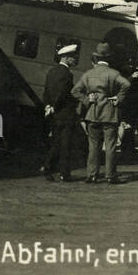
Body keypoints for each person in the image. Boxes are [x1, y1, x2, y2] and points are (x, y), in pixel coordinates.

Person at [72, 42, 131, 185]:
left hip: (93, 114)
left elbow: (75, 91)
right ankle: (110, 176)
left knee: (93, 145)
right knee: (110, 145)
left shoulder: (88, 74)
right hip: (110, 113)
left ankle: (92, 175)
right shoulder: (113, 73)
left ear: (95, 59)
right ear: (108, 58)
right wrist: (119, 97)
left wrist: (87, 99)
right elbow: (126, 84)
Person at [41, 44, 79, 182]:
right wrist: (55, 106)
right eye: (73, 58)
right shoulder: (67, 74)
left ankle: (47, 166)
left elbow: (46, 91)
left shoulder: (51, 71)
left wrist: (48, 106)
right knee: (66, 143)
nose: (75, 60)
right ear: (67, 58)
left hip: (53, 113)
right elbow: (62, 93)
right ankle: (64, 173)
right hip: (64, 113)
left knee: (56, 142)